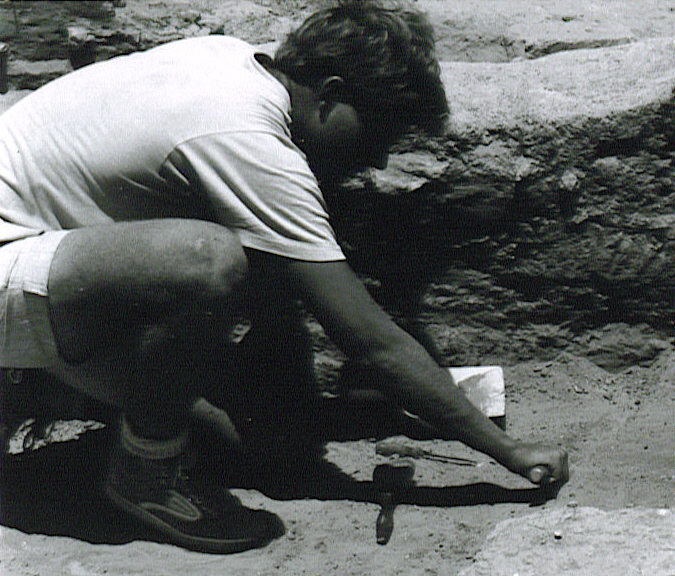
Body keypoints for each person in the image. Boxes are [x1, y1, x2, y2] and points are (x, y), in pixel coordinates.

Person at [0, 0, 568, 554]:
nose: (378, 160)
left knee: (245, 440)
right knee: (207, 259)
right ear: (333, 94)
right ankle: (147, 471)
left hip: (49, 256)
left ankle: (58, 385)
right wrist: (507, 449)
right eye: (378, 134)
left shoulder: (232, 60)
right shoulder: (252, 141)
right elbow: (369, 341)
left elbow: (286, 290)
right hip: (14, 264)